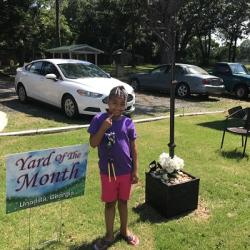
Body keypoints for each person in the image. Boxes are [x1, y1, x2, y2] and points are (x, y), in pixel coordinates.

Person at [88, 86, 139, 249]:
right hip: (108, 172)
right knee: (110, 203)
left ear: (125, 105)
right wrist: (103, 128)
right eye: (114, 103)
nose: (117, 107)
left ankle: (124, 230)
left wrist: (135, 170)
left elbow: (133, 148)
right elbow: (93, 143)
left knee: (123, 202)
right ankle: (109, 235)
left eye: (121, 104)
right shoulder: (99, 119)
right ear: (108, 102)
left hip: (125, 171)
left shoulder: (128, 122)